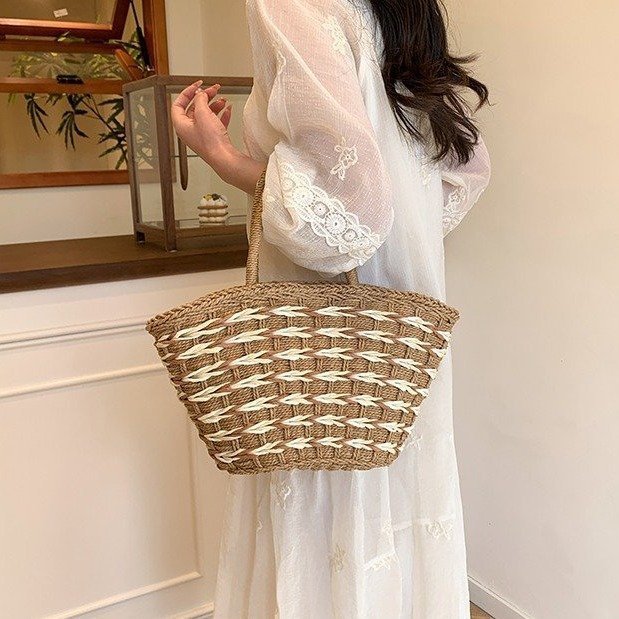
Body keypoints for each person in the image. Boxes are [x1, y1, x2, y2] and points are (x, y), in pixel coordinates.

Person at [172, 0, 491, 616]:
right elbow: (464, 171)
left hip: (319, 334)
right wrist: (405, 239)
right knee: (394, 492)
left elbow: (347, 214)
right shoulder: (404, 7)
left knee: (324, 496)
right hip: (403, 333)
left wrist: (221, 156)